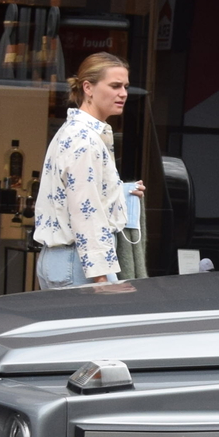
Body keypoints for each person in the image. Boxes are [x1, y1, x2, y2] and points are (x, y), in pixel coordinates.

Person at [33, 52, 144, 287]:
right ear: (88, 87)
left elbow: (76, 195)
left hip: (67, 259)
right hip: (79, 263)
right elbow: (86, 212)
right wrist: (101, 279)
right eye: (114, 85)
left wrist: (120, 192)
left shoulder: (74, 131)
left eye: (125, 86)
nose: (123, 93)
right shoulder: (84, 140)